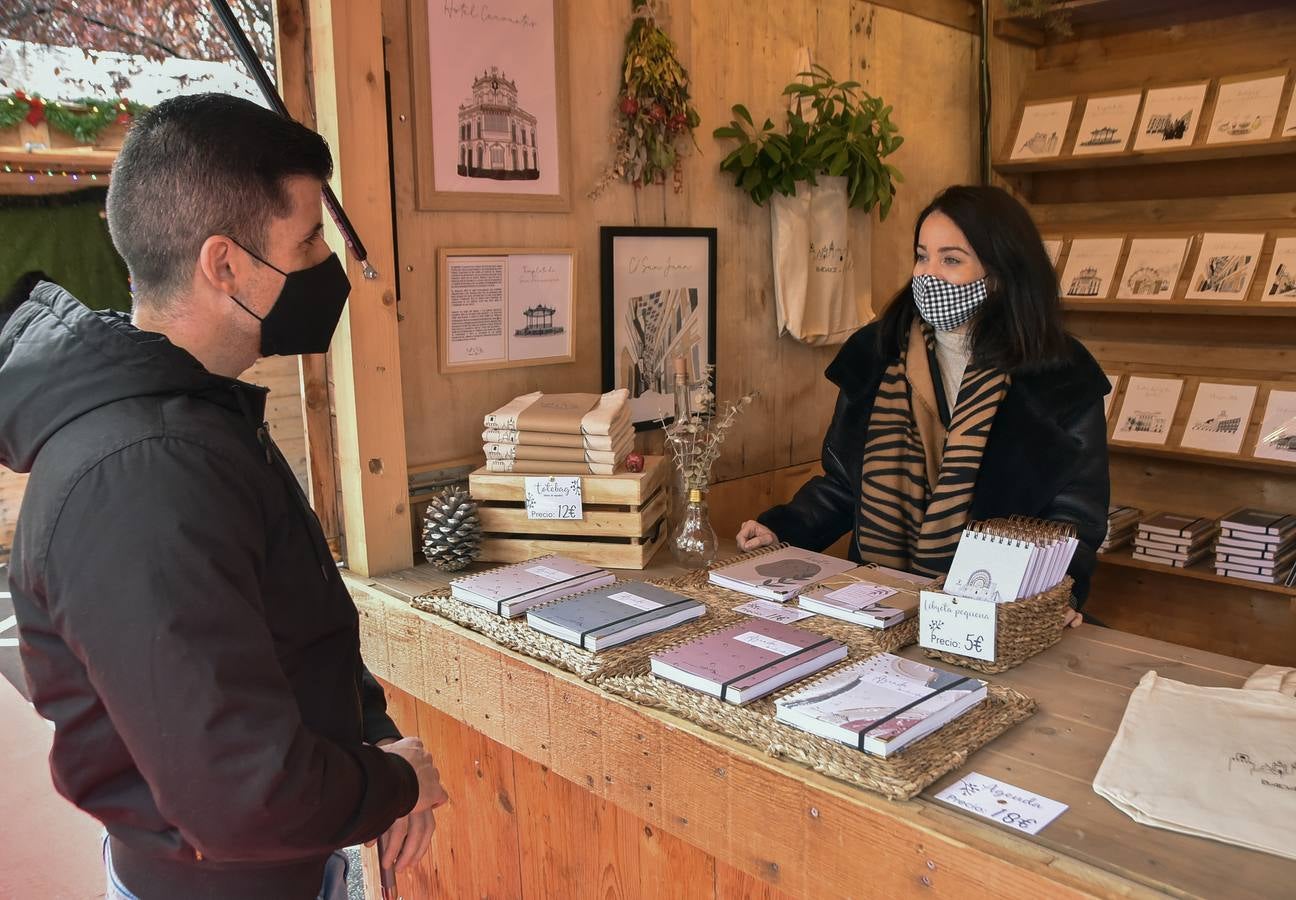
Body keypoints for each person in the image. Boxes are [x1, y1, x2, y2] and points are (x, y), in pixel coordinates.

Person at [0, 94, 447, 899]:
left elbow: (295, 636)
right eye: (308, 239)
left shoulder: (199, 415)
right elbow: (244, 797)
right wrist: (396, 783)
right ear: (225, 265)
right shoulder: (141, 475)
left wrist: (372, 743)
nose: (323, 264)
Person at [737, 185, 1109, 624]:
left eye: (951, 259)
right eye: (922, 256)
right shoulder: (876, 354)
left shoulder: (1059, 373)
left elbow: (1074, 516)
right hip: (879, 605)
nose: (929, 274)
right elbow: (843, 483)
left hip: (996, 611)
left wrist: (1060, 592)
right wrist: (783, 528)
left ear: (1002, 271)